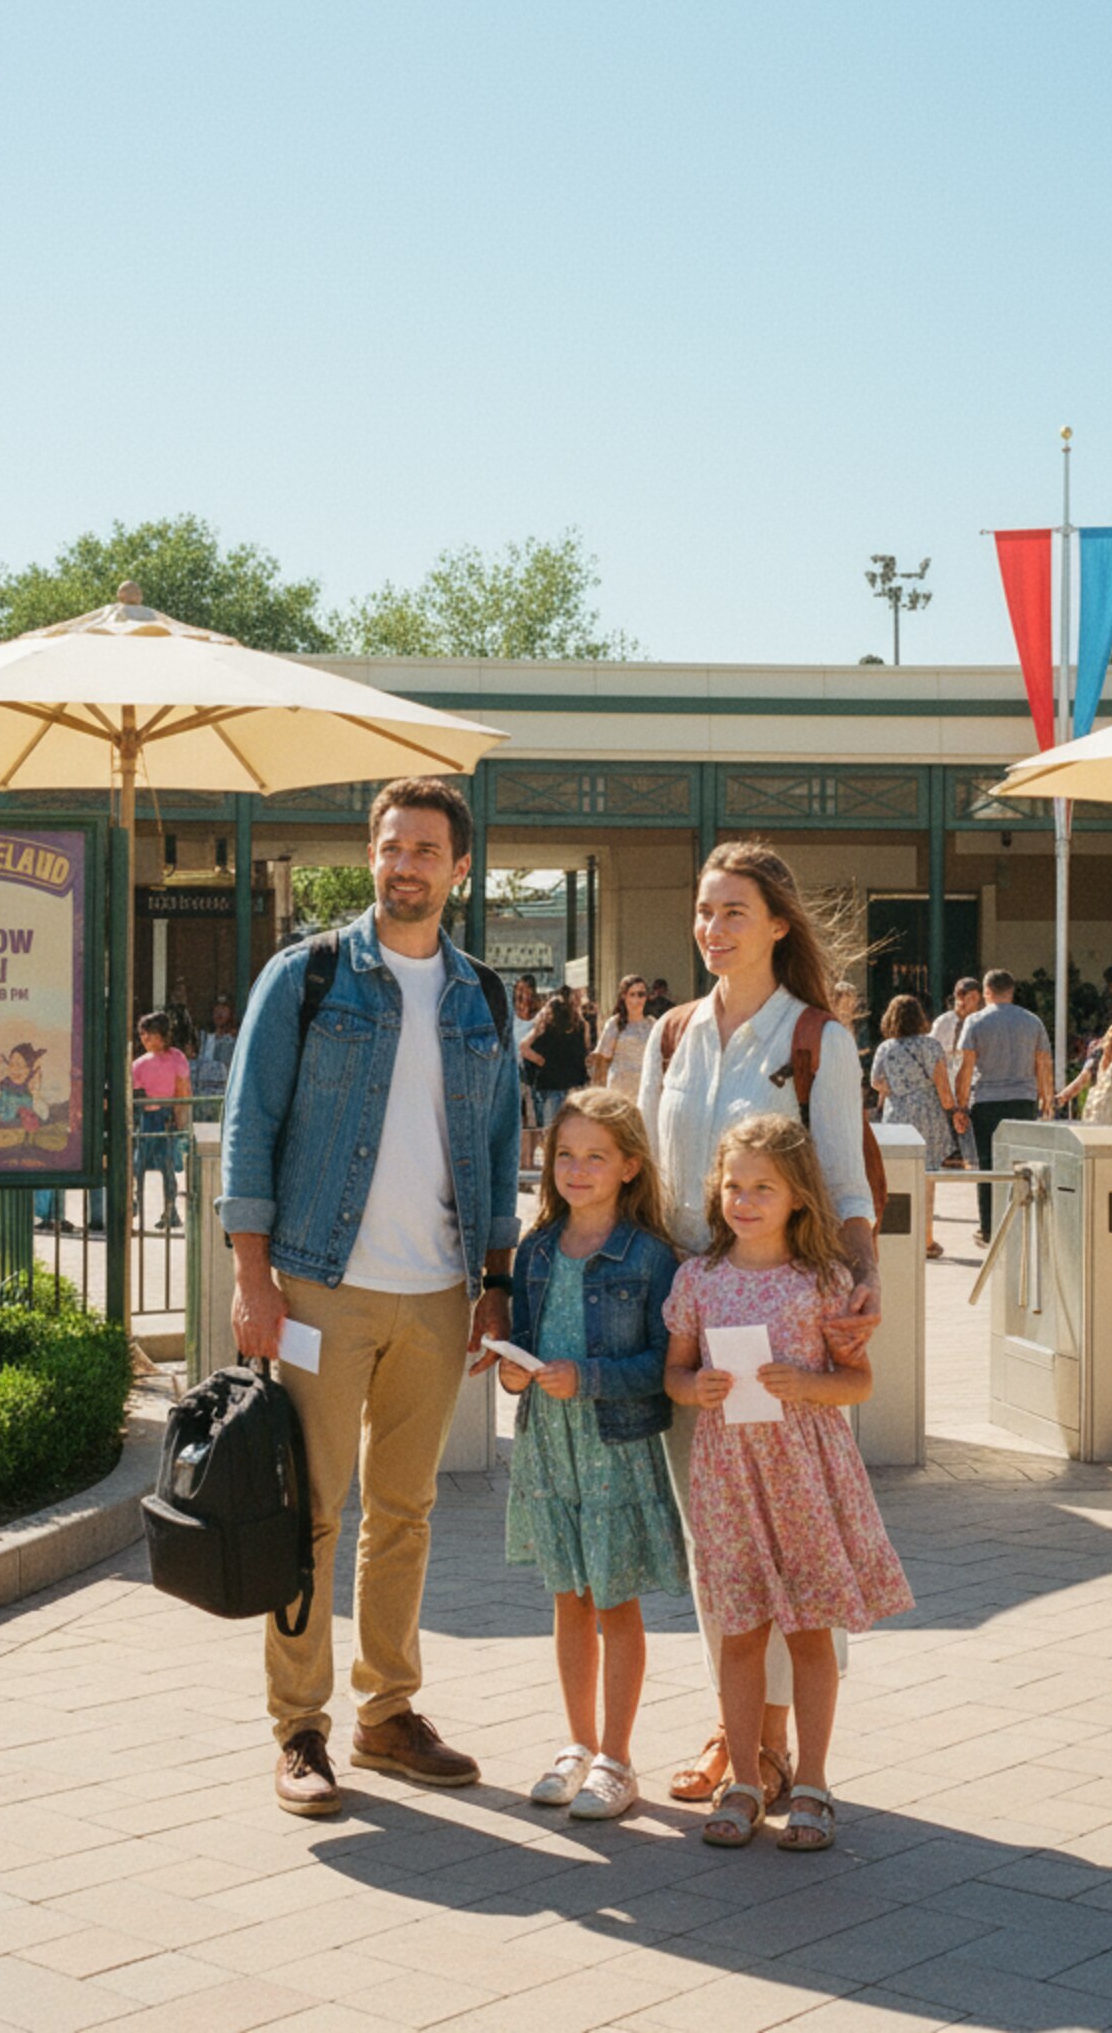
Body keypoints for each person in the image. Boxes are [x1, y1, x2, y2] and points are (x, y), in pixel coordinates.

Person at [220, 776, 521, 1818]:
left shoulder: (483, 994)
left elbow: (495, 1145)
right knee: (306, 1509)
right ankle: (298, 1727)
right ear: (371, 855)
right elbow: (249, 1125)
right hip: (317, 1285)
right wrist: (250, 1275)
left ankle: (386, 1712)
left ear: (459, 869)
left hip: (436, 1294)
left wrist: (492, 1286)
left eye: (427, 849)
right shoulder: (304, 975)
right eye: (391, 846)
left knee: (406, 1511)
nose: (405, 864)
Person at [637, 839, 879, 1816]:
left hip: (785, 1323)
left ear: (777, 922)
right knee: (720, 1539)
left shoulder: (815, 1035)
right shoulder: (668, 1032)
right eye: (704, 909)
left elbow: (843, 1177)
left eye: (733, 909)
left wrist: (862, 1286)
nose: (712, 927)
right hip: (694, 1316)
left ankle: (781, 1743)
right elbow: (641, 1171)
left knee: (795, 1535)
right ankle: (739, 1734)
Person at [664, 1114, 913, 1853]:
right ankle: (744, 1777)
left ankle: (813, 1781)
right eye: (733, 1186)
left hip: (805, 1476)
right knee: (737, 1632)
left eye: (763, 1187)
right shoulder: (698, 1279)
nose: (744, 1200)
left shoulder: (824, 1282)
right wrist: (694, 1386)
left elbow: (858, 1383)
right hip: (728, 1477)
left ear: (799, 1196)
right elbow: (673, 1373)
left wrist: (807, 1380)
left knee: (809, 1632)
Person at [502, 1090, 686, 1823]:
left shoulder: (650, 1257)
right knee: (568, 1597)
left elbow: (662, 1367)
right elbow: (525, 1337)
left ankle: (617, 1756)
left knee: (615, 1600)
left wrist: (591, 1378)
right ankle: (576, 1744)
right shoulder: (537, 1249)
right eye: (565, 1156)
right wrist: (515, 1370)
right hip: (549, 1444)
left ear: (631, 1167)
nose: (576, 1171)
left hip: (616, 1447)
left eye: (595, 1158)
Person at [955, 970, 1052, 1244]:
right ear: (1012, 991)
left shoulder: (975, 1021)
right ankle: (1021, 1224)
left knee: (987, 1166)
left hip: (987, 1101)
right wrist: (1046, 1100)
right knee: (1022, 1165)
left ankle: (989, 1229)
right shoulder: (1032, 1022)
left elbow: (966, 1068)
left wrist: (960, 1107)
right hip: (1023, 1100)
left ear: (986, 992)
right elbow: (1043, 1062)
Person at [869, 994, 957, 1258]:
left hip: (898, 1114)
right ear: (920, 1017)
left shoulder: (886, 1048)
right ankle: (927, 1239)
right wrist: (953, 1110)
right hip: (928, 1113)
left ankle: (895, 1236)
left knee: (895, 1175)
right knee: (928, 1176)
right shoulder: (931, 1046)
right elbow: (943, 1085)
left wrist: (897, 1091)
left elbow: (875, 1082)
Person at [131, 1012, 192, 1229]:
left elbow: (183, 1091)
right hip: (146, 1117)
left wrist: (181, 1120)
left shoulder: (177, 1057)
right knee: (137, 1164)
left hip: (166, 1116)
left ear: (163, 1035)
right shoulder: (137, 1064)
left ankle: (170, 1209)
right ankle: (133, 1201)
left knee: (167, 1166)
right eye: (142, 1033)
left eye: (150, 1033)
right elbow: (135, 1095)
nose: (145, 1037)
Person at [522, 987, 592, 1127]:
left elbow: (523, 1048)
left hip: (550, 1084)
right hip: (575, 1085)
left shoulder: (544, 1028)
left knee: (550, 1133)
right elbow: (586, 1051)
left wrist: (542, 1062)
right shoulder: (581, 1025)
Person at [933, 978, 983, 1172]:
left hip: (974, 1083)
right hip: (949, 1085)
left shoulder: (982, 1023)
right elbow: (934, 1055)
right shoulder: (943, 1023)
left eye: (971, 998)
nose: (964, 1003)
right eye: (960, 998)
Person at [592, 974, 657, 1100]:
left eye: (641, 994)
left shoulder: (652, 1023)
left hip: (645, 1087)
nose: (637, 1000)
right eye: (632, 994)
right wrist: (600, 1092)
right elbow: (603, 1060)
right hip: (619, 1087)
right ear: (624, 996)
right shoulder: (614, 1023)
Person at [511, 977, 543, 1163]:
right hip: (513, 1070)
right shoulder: (510, 1015)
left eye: (527, 990)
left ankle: (529, 1161)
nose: (523, 995)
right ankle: (522, 1163)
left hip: (532, 1072)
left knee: (533, 1120)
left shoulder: (539, 1017)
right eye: (519, 990)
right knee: (518, 1120)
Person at [192, 995, 238, 1097]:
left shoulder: (235, 1040)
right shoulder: (203, 1037)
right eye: (217, 1009)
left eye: (224, 1009)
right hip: (202, 1092)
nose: (219, 1013)